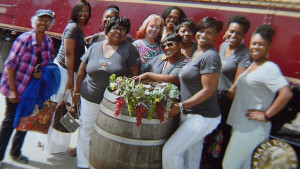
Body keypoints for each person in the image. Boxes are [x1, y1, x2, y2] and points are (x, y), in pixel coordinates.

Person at [73, 17, 141, 169]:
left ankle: (98, 163)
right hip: (89, 97)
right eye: (115, 28)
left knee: (106, 134)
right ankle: (83, 164)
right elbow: (82, 70)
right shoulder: (94, 47)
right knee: (86, 130)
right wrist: (76, 92)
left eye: (123, 29)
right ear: (107, 30)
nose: (119, 32)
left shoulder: (130, 49)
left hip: (112, 102)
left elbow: (135, 76)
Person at [222, 24, 293, 169]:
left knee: (229, 165)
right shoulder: (254, 65)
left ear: (268, 47)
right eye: (253, 43)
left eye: (261, 44)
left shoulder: (269, 68)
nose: (255, 47)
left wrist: (266, 115)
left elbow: (286, 93)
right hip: (241, 124)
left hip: (252, 128)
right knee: (245, 165)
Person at [162, 17, 223, 169]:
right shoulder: (198, 52)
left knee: (170, 152)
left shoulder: (210, 56)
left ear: (216, 36)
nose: (203, 35)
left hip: (202, 116)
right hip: (192, 114)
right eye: (201, 31)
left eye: (209, 33)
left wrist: (182, 105)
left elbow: (209, 90)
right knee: (191, 158)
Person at [0, 9, 56, 165]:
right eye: (41, 19)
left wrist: (41, 73)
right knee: (10, 121)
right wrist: (12, 90)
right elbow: (10, 65)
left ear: (50, 24)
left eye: (47, 20)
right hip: (16, 86)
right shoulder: (23, 39)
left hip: (32, 90)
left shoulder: (48, 42)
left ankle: (16, 152)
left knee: (26, 120)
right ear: (34, 21)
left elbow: (49, 66)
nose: (44, 23)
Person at [202, 15, 251, 168]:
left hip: (226, 100)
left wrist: (223, 101)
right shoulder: (223, 46)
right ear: (226, 31)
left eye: (238, 33)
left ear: (244, 35)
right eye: (231, 31)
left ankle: (214, 163)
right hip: (214, 96)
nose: (234, 35)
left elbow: (237, 84)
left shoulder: (245, 54)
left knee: (219, 133)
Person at [45, 0, 91, 155]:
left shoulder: (78, 28)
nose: (84, 13)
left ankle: (58, 146)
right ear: (75, 11)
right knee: (59, 107)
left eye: (87, 11)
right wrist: (71, 79)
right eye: (81, 10)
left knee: (64, 109)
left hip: (70, 71)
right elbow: (69, 54)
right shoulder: (72, 28)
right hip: (65, 71)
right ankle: (52, 146)